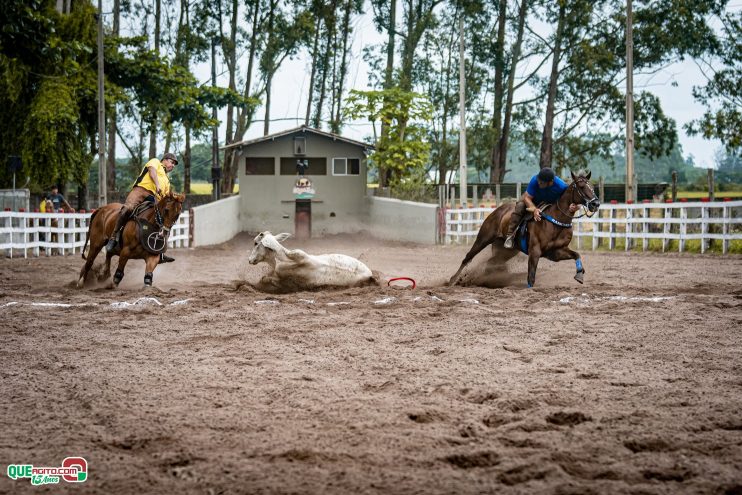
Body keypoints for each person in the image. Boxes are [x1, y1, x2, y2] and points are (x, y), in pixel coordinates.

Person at [105, 152, 178, 263]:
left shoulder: (167, 181)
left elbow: (166, 197)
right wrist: (157, 185)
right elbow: (152, 171)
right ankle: (114, 237)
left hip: (154, 199)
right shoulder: (155, 162)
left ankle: (160, 252)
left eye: (174, 164)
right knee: (128, 209)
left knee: (163, 222)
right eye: (172, 162)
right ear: (165, 160)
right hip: (140, 191)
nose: (173, 165)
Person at [504, 167, 578, 249]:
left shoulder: (562, 186)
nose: (538, 182)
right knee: (520, 207)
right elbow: (527, 198)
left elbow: (571, 199)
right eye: (539, 180)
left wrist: (576, 206)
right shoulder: (535, 180)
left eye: (542, 182)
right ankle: (510, 235)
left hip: (550, 203)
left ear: (551, 182)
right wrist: (534, 209)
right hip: (532, 200)